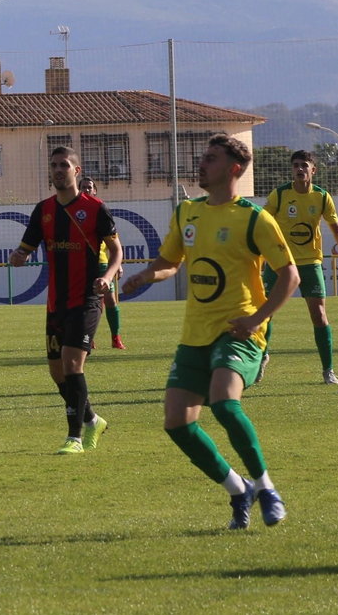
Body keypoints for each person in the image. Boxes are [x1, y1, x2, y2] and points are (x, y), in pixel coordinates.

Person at [123, 135, 296, 529]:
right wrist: (147, 275)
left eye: (212, 159)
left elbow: (290, 275)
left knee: (223, 402)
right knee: (177, 423)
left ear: (234, 168)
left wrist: (258, 318)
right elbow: (170, 262)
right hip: (195, 333)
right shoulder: (187, 212)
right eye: (202, 157)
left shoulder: (254, 218)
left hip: (239, 330)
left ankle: (267, 488)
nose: (202, 165)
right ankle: (240, 489)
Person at [9, 147, 119, 455]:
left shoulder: (95, 208)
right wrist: (18, 256)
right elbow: (25, 248)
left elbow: (117, 250)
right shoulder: (43, 210)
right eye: (54, 165)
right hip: (55, 303)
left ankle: (75, 438)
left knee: (72, 365)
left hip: (86, 299)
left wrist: (108, 277)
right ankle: (93, 419)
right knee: (57, 374)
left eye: (64, 165)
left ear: (77, 170)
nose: (58, 169)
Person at [261, 150, 338, 385]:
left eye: (304, 165)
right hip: (280, 263)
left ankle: (328, 370)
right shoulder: (280, 195)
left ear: (313, 170)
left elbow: (337, 229)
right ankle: (261, 358)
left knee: (319, 314)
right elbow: (261, 223)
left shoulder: (322, 197)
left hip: (310, 262)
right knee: (266, 313)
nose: (299, 169)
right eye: (295, 165)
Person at [78, 176, 125, 349]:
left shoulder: (101, 210)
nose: (86, 190)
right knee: (86, 304)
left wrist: (118, 263)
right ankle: (88, 339)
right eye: (83, 187)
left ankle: (116, 338)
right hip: (83, 265)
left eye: (89, 187)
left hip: (102, 264)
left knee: (110, 301)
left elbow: (114, 242)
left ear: (95, 190)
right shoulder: (76, 213)